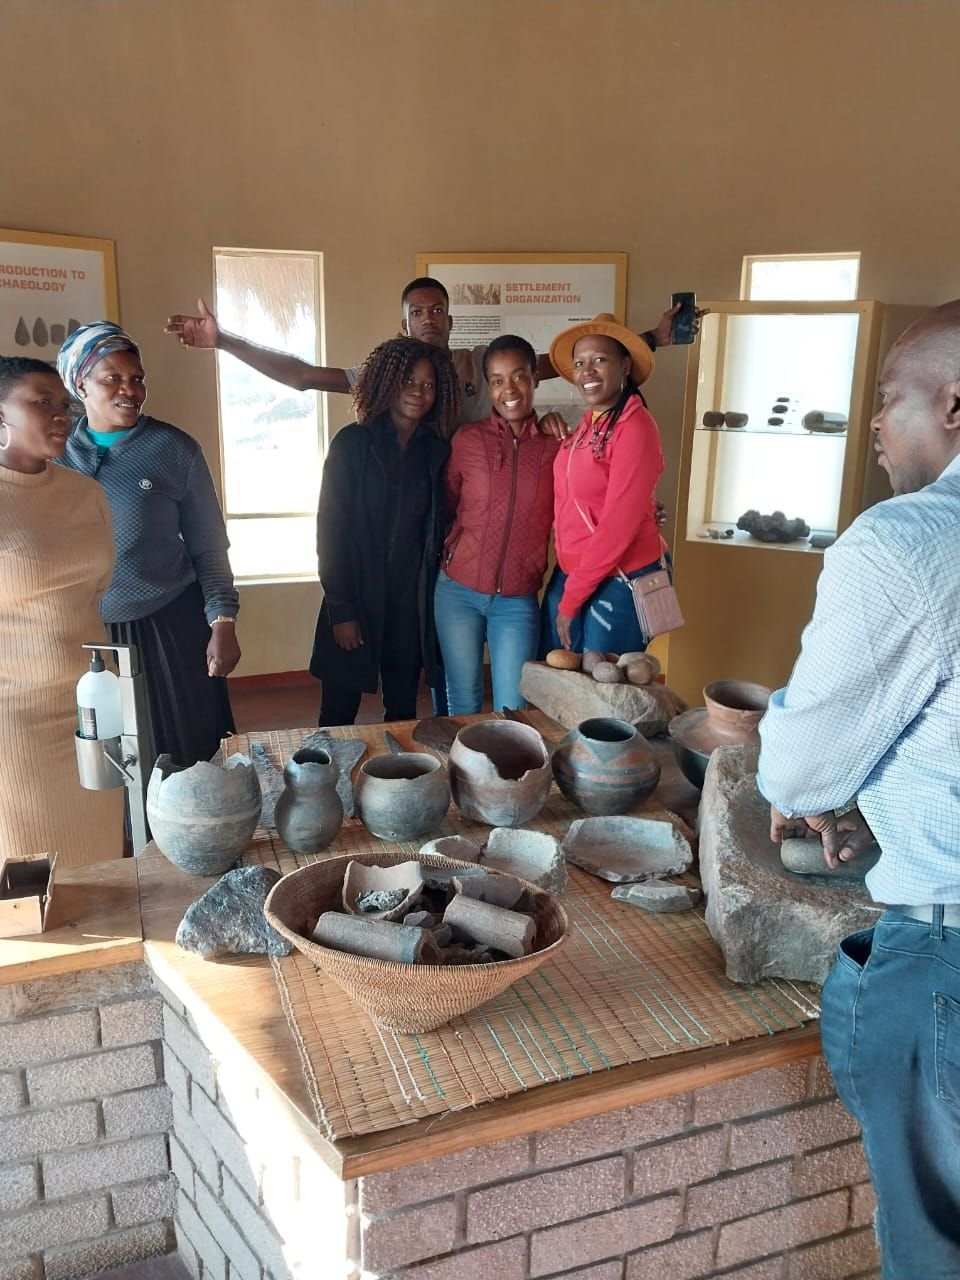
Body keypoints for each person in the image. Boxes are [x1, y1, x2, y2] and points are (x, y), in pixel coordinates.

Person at [757, 300, 960, 1279]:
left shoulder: (904, 546)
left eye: (889, 400)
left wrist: (830, 776)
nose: (875, 424)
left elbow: (796, 766)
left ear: (954, 402)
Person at [163, 277, 688, 434]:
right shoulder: (384, 376)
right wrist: (224, 340)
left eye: (438, 310)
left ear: (451, 321)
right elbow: (302, 376)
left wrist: (649, 340)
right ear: (404, 324)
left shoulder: (482, 364)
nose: (430, 318)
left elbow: (567, 360)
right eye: (419, 312)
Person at [57, 323, 240, 768]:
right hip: (83, 634)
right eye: (112, 379)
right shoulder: (57, 454)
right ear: (80, 384)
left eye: (137, 378)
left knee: (182, 755)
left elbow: (209, 546)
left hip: (167, 626)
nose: (130, 390)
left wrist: (223, 620)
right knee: (104, 759)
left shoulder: (173, 449)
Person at [0, 356, 123, 867]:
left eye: (64, 404)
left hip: (96, 701)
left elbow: (99, 585)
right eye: (41, 402)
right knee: (31, 865)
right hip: (15, 715)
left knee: (100, 851)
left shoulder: (86, 492)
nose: (61, 415)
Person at [311, 336, 457, 725]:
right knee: (338, 715)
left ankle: (399, 784)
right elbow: (330, 529)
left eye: (429, 384)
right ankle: (331, 784)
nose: (419, 392)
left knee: (403, 712)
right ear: (386, 381)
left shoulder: (437, 452)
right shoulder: (352, 444)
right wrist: (341, 609)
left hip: (409, 604)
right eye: (408, 381)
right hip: (354, 596)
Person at [435, 334, 559, 713]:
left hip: (516, 600)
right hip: (457, 591)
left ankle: (505, 775)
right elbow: (449, 502)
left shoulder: (557, 446)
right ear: (488, 385)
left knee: (512, 708)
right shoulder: (468, 440)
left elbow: (582, 504)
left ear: (536, 377)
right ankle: (465, 774)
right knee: (464, 701)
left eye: (519, 376)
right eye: (498, 380)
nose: (510, 389)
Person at [540, 314, 668, 655]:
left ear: (625, 366)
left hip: (617, 581)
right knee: (563, 684)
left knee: (605, 693)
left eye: (600, 360)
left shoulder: (635, 427)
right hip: (575, 577)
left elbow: (617, 527)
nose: (587, 371)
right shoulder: (586, 426)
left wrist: (570, 600)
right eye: (580, 363)